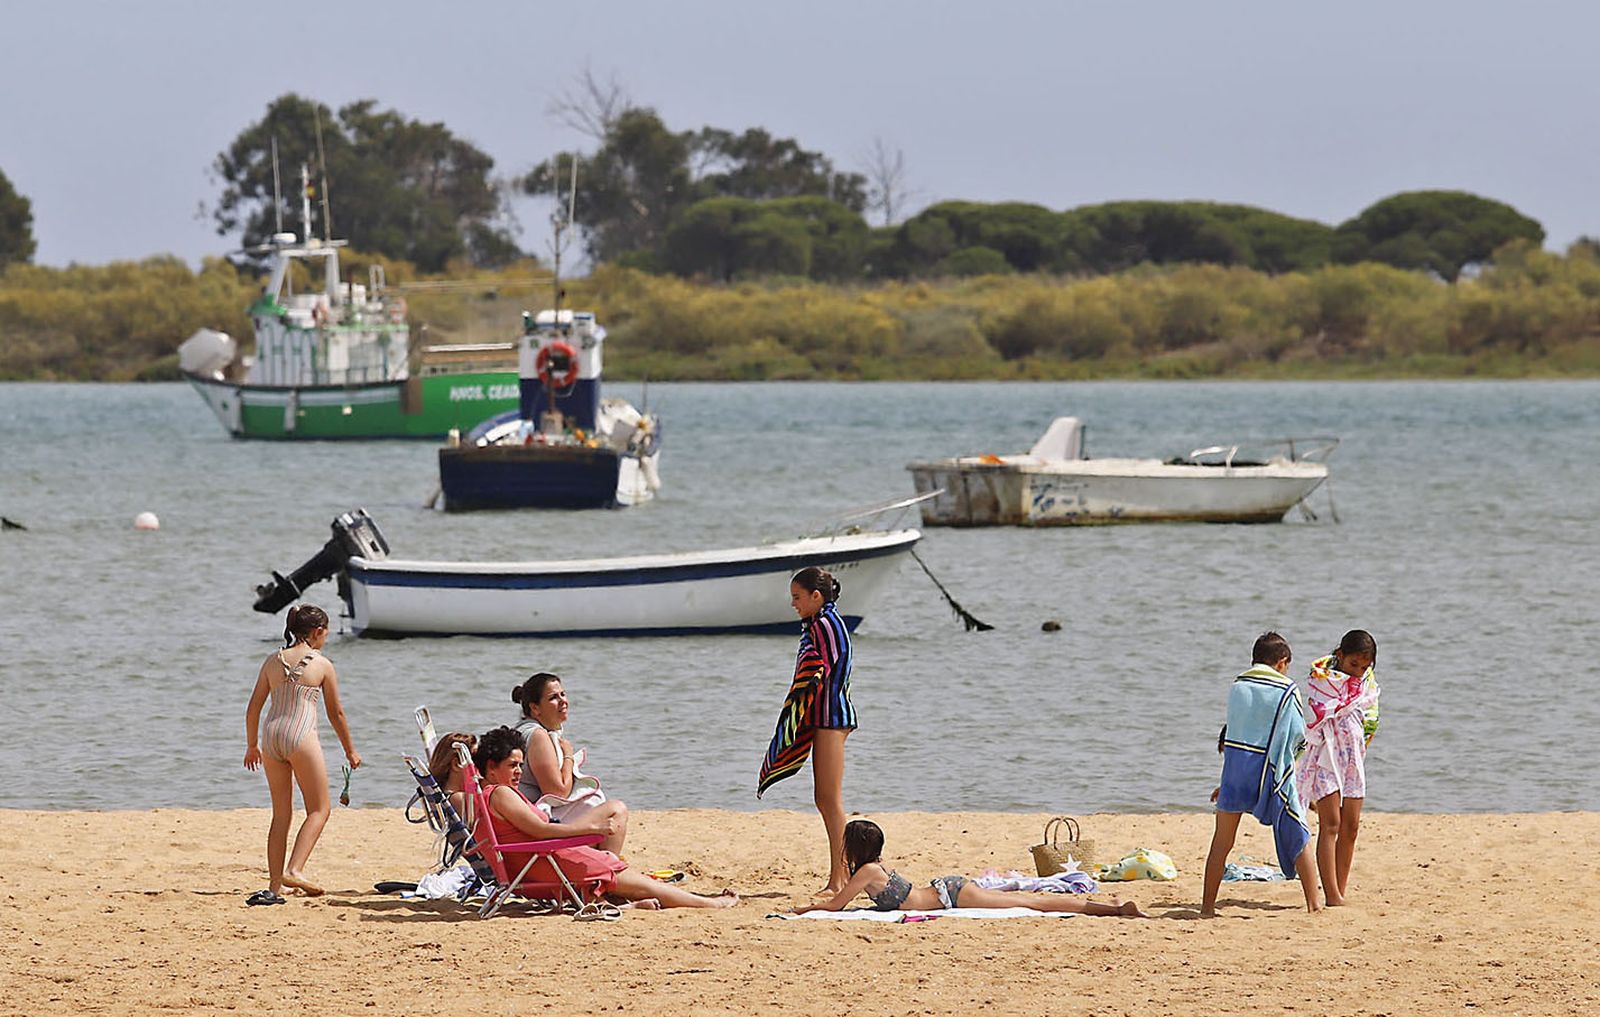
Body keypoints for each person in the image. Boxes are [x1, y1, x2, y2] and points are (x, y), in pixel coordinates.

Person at [474, 727, 737, 910]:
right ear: (491, 768)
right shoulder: (501, 794)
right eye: (512, 765)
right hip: (544, 862)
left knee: (619, 867)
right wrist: (591, 828)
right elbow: (541, 830)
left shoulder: (491, 795)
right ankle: (710, 903)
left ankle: (624, 904)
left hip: (539, 861)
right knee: (632, 878)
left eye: (521, 765)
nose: (519, 772)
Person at [243, 604, 361, 906]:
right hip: (301, 736)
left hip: (271, 736)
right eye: (326, 633)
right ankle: (294, 869)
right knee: (319, 809)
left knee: (281, 814)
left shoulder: (273, 660)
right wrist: (350, 750)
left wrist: (252, 745)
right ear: (318, 632)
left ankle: (275, 886)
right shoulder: (322, 664)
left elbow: (253, 707)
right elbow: (336, 713)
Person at [796, 820, 1148, 916]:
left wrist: (805, 909)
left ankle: (1114, 909)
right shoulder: (874, 867)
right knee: (1029, 901)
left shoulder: (867, 872)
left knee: (1031, 903)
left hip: (951, 894)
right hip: (948, 891)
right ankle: (1112, 907)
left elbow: (836, 904)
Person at [1202, 631, 1320, 917]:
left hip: (1236, 773)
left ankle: (1206, 908)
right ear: (1282, 662)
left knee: (1221, 842)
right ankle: (1314, 904)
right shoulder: (1287, 689)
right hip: (1272, 771)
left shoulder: (1238, 686)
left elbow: (1235, 732)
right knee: (1298, 833)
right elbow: (1296, 734)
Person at [758, 566, 856, 895]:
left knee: (830, 799)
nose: (793, 604)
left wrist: (794, 713)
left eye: (797, 597)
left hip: (831, 718)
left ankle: (840, 879)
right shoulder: (820, 622)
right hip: (824, 718)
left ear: (816, 596)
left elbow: (820, 672)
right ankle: (840, 876)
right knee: (824, 798)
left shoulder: (825, 624)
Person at [1296, 630, 1380, 907]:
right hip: (1326, 757)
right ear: (1340, 655)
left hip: (1353, 758)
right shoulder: (1322, 680)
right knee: (1331, 824)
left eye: (1364, 667)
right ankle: (1331, 894)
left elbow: (1371, 718)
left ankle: (1339, 891)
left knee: (1351, 826)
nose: (1357, 672)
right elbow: (1315, 718)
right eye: (1353, 664)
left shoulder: (1366, 685)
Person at [510, 672, 629, 854]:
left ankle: (604, 863)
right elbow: (557, 792)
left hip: (530, 822)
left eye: (563, 694)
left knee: (601, 809)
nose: (563, 701)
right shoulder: (538, 736)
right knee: (616, 810)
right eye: (553, 697)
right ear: (535, 708)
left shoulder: (525, 730)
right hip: (537, 833)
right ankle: (609, 867)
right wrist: (568, 756)